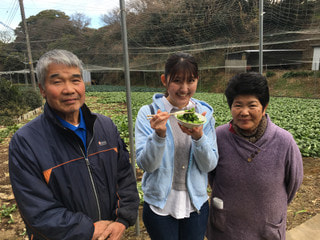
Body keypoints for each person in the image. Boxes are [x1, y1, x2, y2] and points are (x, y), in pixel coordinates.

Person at [9, 49, 140, 240]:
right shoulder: (26, 142)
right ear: (42, 89)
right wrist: (88, 230)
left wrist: (122, 221)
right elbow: (36, 208)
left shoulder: (105, 127)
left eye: (75, 80)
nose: (69, 89)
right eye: (57, 81)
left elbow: (125, 177)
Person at [206, 72, 304, 240]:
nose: (244, 112)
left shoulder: (284, 141)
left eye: (252, 105)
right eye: (238, 105)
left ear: (264, 107)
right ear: (231, 107)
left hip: (267, 230)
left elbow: (293, 183)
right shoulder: (219, 137)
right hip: (225, 228)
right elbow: (211, 175)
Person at [135, 52, 219, 240]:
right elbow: (146, 165)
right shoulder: (148, 113)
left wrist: (199, 137)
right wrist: (159, 135)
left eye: (190, 81)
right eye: (177, 81)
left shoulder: (204, 115)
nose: (184, 88)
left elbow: (209, 165)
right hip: (160, 206)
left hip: (195, 204)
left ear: (197, 80)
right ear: (164, 80)